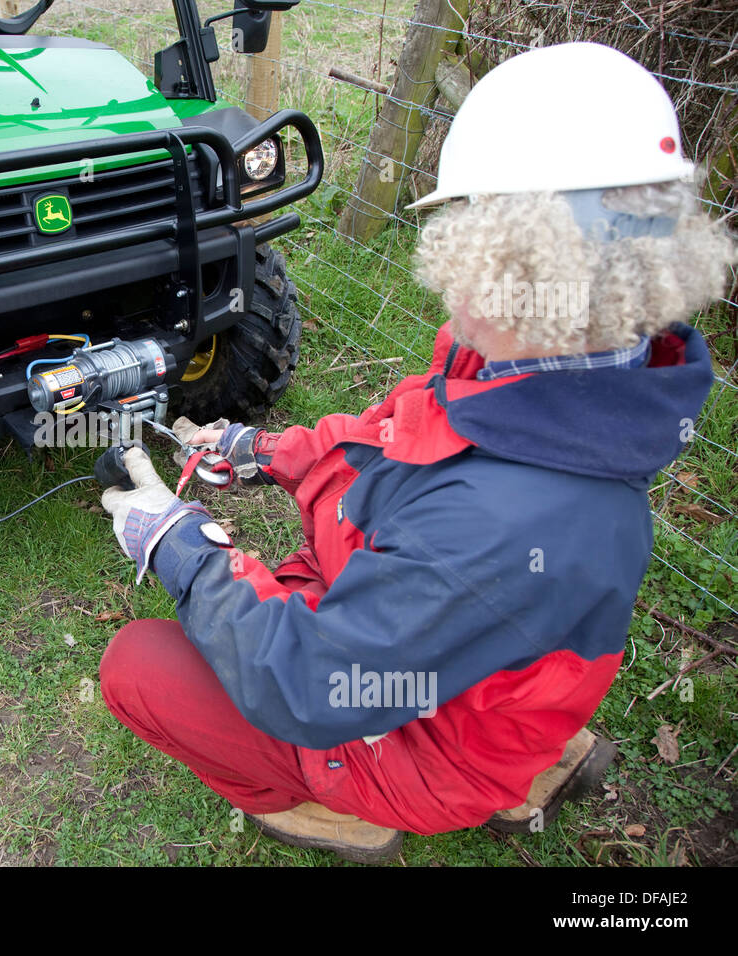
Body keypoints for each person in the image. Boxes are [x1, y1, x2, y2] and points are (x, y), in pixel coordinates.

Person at [97, 42, 736, 863]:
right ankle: (534, 751)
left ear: (525, 263)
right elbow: (391, 439)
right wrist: (265, 450)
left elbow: (314, 683)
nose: (448, 278)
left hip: (421, 741)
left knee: (139, 666)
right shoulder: (552, 381)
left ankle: (347, 805)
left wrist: (178, 544)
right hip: (483, 683)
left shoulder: (501, 521)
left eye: (465, 240)